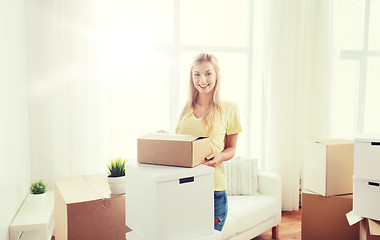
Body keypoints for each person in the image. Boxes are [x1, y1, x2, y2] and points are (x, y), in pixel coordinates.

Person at [175, 53, 242, 231]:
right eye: (196, 74)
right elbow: (178, 145)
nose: (202, 79)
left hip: (213, 189)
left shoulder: (229, 108)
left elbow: (231, 148)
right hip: (184, 188)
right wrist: (163, 136)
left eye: (208, 73)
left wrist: (219, 156)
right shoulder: (186, 109)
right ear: (191, 76)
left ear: (216, 75)